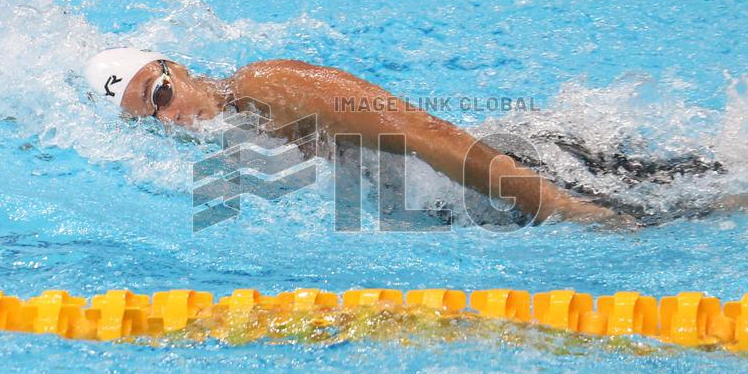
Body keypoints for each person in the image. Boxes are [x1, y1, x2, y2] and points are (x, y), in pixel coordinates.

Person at [84, 47, 637, 226]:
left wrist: (564, 207)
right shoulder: (237, 130)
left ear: (176, 67)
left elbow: (425, 134)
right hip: (468, 195)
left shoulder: (267, 87)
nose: (169, 119)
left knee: (666, 210)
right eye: (148, 118)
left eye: (161, 95)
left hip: (523, 172)